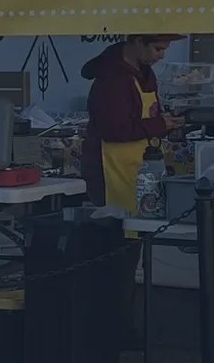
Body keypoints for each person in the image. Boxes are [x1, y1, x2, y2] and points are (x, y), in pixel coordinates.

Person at [80, 34, 185, 349]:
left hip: (137, 170)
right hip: (110, 173)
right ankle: (112, 331)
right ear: (137, 41)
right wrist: (159, 125)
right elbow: (114, 130)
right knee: (117, 258)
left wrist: (164, 126)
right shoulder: (111, 80)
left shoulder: (144, 74)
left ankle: (120, 327)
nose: (161, 56)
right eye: (157, 48)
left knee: (129, 254)